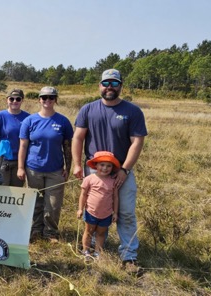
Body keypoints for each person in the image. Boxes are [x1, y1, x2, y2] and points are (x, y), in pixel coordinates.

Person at [72, 69, 147, 269]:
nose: (109, 88)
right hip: (94, 171)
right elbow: (78, 137)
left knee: (126, 212)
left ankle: (129, 255)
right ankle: (93, 248)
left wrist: (124, 170)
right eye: (106, 83)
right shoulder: (88, 109)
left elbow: (137, 142)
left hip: (121, 171)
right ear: (100, 85)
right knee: (94, 208)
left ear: (121, 86)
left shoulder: (132, 111)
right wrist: (78, 164)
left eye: (114, 83)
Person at [17, 86, 73, 243]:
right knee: (36, 202)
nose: (47, 100)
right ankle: (35, 230)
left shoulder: (63, 121)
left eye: (51, 97)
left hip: (55, 170)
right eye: (44, 97)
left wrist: (67, 169)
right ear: (39, 99)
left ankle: (51, 232)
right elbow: (23, 146)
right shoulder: (29, 121)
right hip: (33, 169)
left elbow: (67, 147)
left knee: (53, 204)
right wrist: (21, 167)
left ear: (55, 100)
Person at [77, 151, 120, 261]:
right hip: (91, 211)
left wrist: (115, 212)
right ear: (96, 165)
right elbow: (83, 195)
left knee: (101, 233)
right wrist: (80, 209)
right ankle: (85, 251)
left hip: (106, 213)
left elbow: (115, 197)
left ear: (112, 167)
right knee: (89, 231)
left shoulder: (113, 181)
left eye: (109, 166)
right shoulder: (89, 179)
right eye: (102, 165)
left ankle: (97, 253)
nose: (105, 168)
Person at [0, 89, 30, 186]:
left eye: (18, 99)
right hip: (2, 161)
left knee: (16, 193)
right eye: (11, 99)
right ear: (7, 100)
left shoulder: (28, 118)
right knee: (0, 193)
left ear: (22, 100)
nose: (14, 101)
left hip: (19, 162)